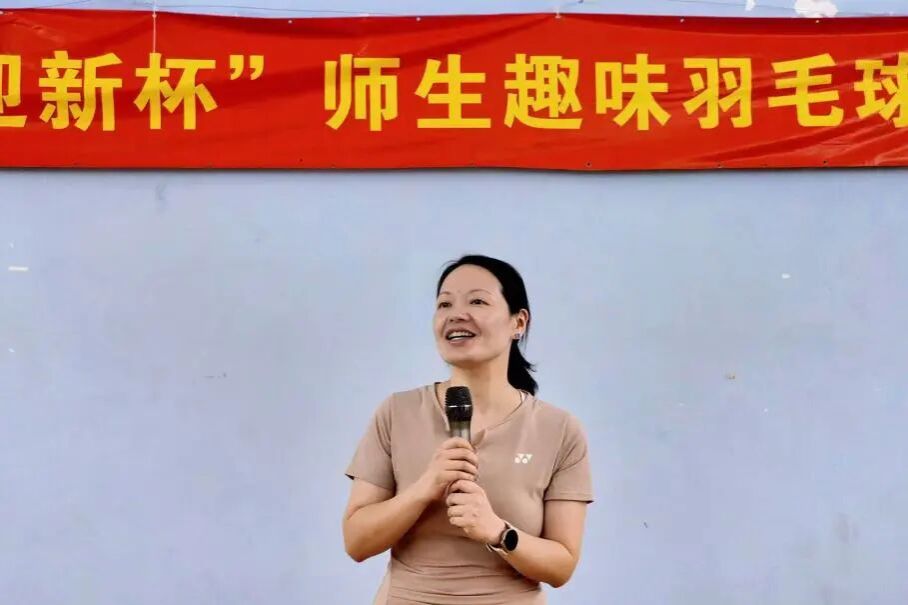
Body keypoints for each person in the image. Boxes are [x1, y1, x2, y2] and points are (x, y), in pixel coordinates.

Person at [343, 254, 594, 604]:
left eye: (477, 301)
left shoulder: (559, 429)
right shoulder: (397, 413)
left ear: (518, 322)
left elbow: (562, 566)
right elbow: (356, 542)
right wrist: (423, 489)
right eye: (445, 304)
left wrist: (498, 531)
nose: (456, 314)